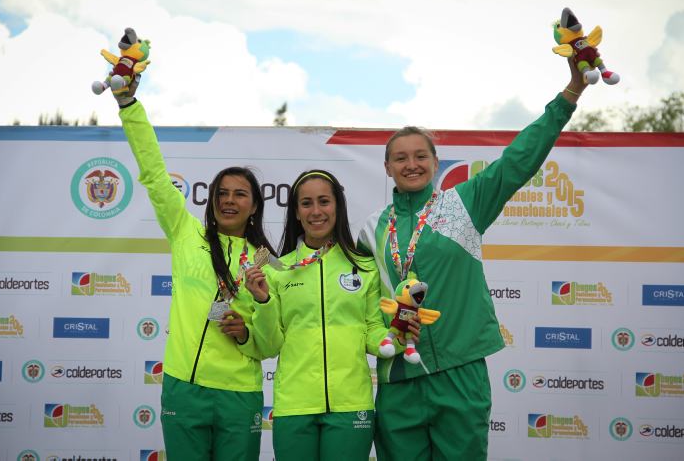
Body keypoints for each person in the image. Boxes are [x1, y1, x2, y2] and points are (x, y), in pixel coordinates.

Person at [357, 58, 588, 460]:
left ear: (434, 161)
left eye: (420, 156)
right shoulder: (369, 227)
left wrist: (570, 94)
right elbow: (355, 299)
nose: (411, 164)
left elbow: (519, 159)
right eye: (400, 158)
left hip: (460, 371)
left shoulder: (465, 203)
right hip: (398, 379)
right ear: (387, 167)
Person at [112, 79, 276, 460]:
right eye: (222, 193)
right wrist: (129, 105)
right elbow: (154, 174)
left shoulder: (268, 260)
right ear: (211, 200)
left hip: (239, 393)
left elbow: (269, 344)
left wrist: (246, 331)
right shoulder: (186, 234)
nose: (229, 201)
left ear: (255, 206)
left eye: (240, 194)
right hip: (184, 388)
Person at [244, 169, 414, 461]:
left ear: (337, 206)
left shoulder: (364, 266)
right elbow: (271, 344)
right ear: (296, 212)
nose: (316, 211)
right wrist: (263, 301)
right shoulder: (277, 271)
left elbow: (372, 331)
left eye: (324, 201)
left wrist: (398, 335)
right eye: (306, 203)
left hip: (350, 405)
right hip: (294, 406)